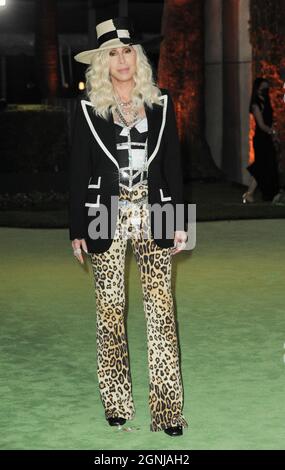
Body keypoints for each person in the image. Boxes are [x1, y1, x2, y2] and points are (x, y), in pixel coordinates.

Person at [68, 17, 189, 436]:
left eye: (128, 51)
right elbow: (77, 173)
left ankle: (168, 410)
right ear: (103, 62)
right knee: (110, 310)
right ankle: (117, 403)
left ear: (138, 57)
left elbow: (174, 166)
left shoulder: (162, 103)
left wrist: (180, 223)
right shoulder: (87, 110)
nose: (122, 59)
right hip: (105, 213)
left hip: (155, 211)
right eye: (113, 53)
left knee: (161, 314)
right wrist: (76, 229)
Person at [243, 77, 280, 203]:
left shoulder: (267, 102)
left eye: (267, 87)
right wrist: (272, 131)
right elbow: (261, 124)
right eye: (263, 87)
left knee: (266, 165)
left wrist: (273, 134)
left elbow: (270, 121)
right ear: (257, 89)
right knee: (263, 164)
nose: (266, 90)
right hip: (260, 139)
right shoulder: (255, 104)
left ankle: (251, 193)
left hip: (267, 137)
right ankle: (268, 193)